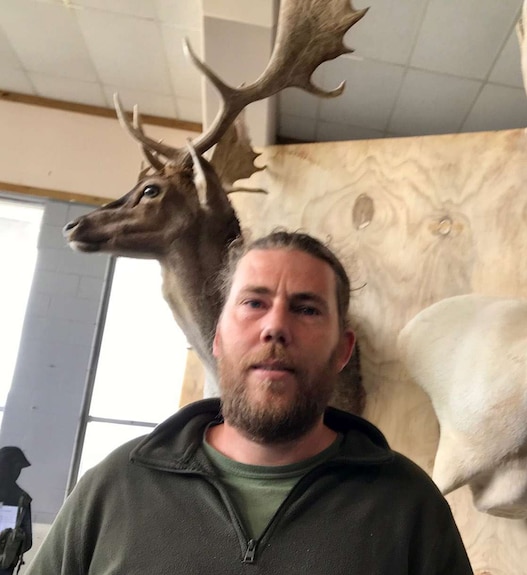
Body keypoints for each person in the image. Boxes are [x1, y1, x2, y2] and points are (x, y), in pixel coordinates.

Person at [30, 230, 472, 574]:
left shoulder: (411, 506)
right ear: (218, 337)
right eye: (254, 302)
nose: (275, 326)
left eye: (307, 309)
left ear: (342, 350)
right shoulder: (113, 487)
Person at [0, 447, 32, 575]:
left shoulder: (22, 499)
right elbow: (28, 541)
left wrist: (13, 543)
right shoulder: (21, 498)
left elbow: (27, 541)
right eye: (15, 468)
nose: (17, 472)